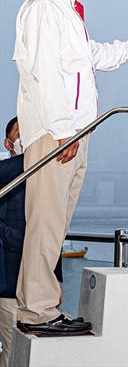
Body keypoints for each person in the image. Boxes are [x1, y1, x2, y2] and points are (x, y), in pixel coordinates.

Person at [12, 0, 128, 336]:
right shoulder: (43, 10)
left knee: (56, 225)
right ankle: (37, 312)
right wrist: (63, 131)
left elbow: (89, 57)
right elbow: (43, 76)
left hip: (74, 132)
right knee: (45, 222)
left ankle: (44, 308)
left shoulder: (68, 13)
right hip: (58, 134)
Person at [0, 118, 63, 363]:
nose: (26, 135)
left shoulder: (46, 176)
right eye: (19, 132)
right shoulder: (10, 172)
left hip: (40, 286)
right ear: (8, 143)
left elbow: (52, 234)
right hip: (10, 286)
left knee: (33, 355)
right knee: (14, 352)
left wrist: (57, 278)